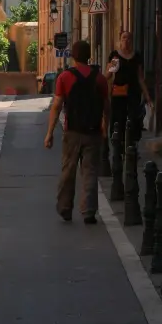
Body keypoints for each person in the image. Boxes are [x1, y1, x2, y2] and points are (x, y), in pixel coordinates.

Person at [44, 40, 110, 224]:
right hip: (93, 131)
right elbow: (106, 106)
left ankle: (65, 207)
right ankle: (88, 210)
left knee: (68, 171)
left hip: (72, 131)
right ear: (89, 55)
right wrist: (105, 126)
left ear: (73, 55)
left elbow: (57, 107)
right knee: (90, 171)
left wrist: (49, 133)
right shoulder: (99, 78)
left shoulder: (65, 77)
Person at [107, 30, 152, 147]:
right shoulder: (115, 56)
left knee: (134, 117)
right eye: (123, 38)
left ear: (132, 41)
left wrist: (147, 97)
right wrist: (111, 67)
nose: (126, 41)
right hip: (119, 92)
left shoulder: (136, 56)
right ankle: (119, 142)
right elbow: (108, 75)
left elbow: (140, 78)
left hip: (133, 92)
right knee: (119, 118)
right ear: (120, 41)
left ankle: (132, 143)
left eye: (128, 38)